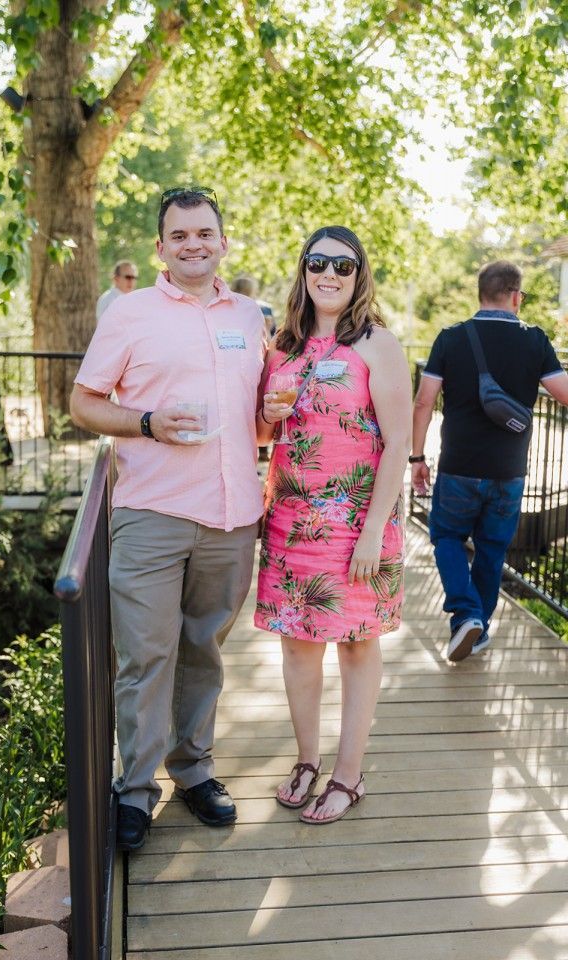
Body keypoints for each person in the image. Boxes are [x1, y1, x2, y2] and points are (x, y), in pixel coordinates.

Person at [70, 188, 265, 851]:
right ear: (161, 247)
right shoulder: (130, 314)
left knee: (203, 652)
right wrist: (147, 422)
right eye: (179, 235)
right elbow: (84, 403)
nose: (193, 244)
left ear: (223, 242)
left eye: (204, 233)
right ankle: (134, 790)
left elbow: (257, 416)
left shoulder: (250, 316)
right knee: (146, 656)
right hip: (152, 511)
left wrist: (278, 411)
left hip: (234, 515)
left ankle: (195, 771)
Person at [254, 226, 411, 824]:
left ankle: (349, 775)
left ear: (358, 276)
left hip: (355, 522)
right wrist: (268, 416)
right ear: (303, 270)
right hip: (291, 518)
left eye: (342, 267)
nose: (329, 275)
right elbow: (267, 437)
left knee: (356, 644)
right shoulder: (283, 347)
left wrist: (374, 529)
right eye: (318, 263)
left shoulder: (378, 344)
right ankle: (306, 760)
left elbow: (397, 443)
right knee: (298, 644)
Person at [411, 260, 568, 663]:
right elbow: (564, 393)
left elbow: (424, 401)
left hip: (458, 465)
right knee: (492, 549)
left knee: (446, 537)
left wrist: (416, 458)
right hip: (508, 470)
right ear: (516, 296)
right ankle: (476, 628)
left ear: (480, 293)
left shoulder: (451, 338)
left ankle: (466, 615)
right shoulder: (536, 340)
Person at [231, 274, 276, 461]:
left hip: (237, 360)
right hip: (260, 356)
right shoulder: (264, 308)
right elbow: (272, 333)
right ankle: (261, 450)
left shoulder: (229, 308)